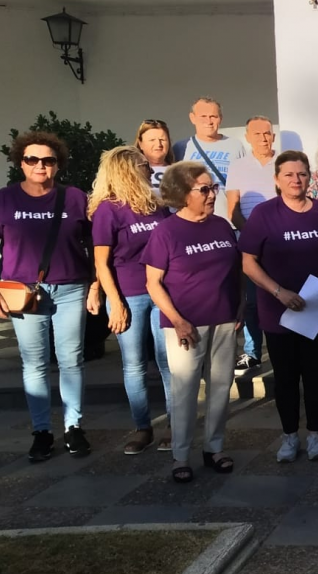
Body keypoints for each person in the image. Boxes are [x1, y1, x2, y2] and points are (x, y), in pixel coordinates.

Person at [241, 150, 318, 463]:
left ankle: (316, 435)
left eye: (302, 173)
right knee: (286, 378)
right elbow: (248, 263)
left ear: (310, 177)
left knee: (316, 376)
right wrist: (279, 292)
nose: (296, 180)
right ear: (277, 180)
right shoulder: (265, 213)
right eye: (289, 174)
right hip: (279, 312)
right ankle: (289, 436)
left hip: (317, 310)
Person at [0, 132, 94, 462]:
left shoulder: (75, 199)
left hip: (70, 287)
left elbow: (96, 245)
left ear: (58, 165)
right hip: (22, 291)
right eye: (32, 159)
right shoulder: (4, 199)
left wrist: (96, 284)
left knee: (71, 360)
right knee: (34, 364)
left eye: (48, 160)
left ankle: (73, 427)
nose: (40, 165)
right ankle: (41, 431)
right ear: (20, 162)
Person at [143, 162, 241, 483]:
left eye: (212, 187)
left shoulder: (222, 225)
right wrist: (177, 319)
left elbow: (233, 269)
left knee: (221, 387)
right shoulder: (166, 232)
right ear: (183, 194)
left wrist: (238, 305)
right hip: (184, 325)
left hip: (224, 320)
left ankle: (214, 448)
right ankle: (180, 455)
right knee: (185, 390)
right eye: (204, 189)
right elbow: (153, 283)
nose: (212, 194)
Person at [89, 146, 173, 454]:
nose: (150, 168)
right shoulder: (107, 210)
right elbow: (101, 263)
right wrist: (117, 302)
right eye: (143, 165)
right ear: (126, 169)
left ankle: (174, 424)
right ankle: (142, 427)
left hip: (161, 292)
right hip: (128, 295)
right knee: (134, 364)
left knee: (168, 362)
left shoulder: (157, 205)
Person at [225, 116, 277, 377]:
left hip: (281, 241)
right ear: (247, 137)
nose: (263, 138)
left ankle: (283, 348)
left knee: (283, 294)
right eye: (257, 134)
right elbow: (233, 208)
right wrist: (253, 235)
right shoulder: (238, 166)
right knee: (253, 301)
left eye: (267, 133)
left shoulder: (284, 162)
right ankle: (253, 351)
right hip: (250, 240)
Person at [172, 97, 245, 221]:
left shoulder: (235, 146)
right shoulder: (181, 148)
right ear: (192, 118)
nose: (209, 121)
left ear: (220, 119)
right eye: (203, 116)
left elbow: (244, 183)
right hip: (194, 221)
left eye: (213, 116)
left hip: (229, 221)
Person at [135, 119, 174, 191]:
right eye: (152, 140)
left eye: (162, 140)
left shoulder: (180, 172)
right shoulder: (132, 172)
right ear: (140, 144)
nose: (158, 144)